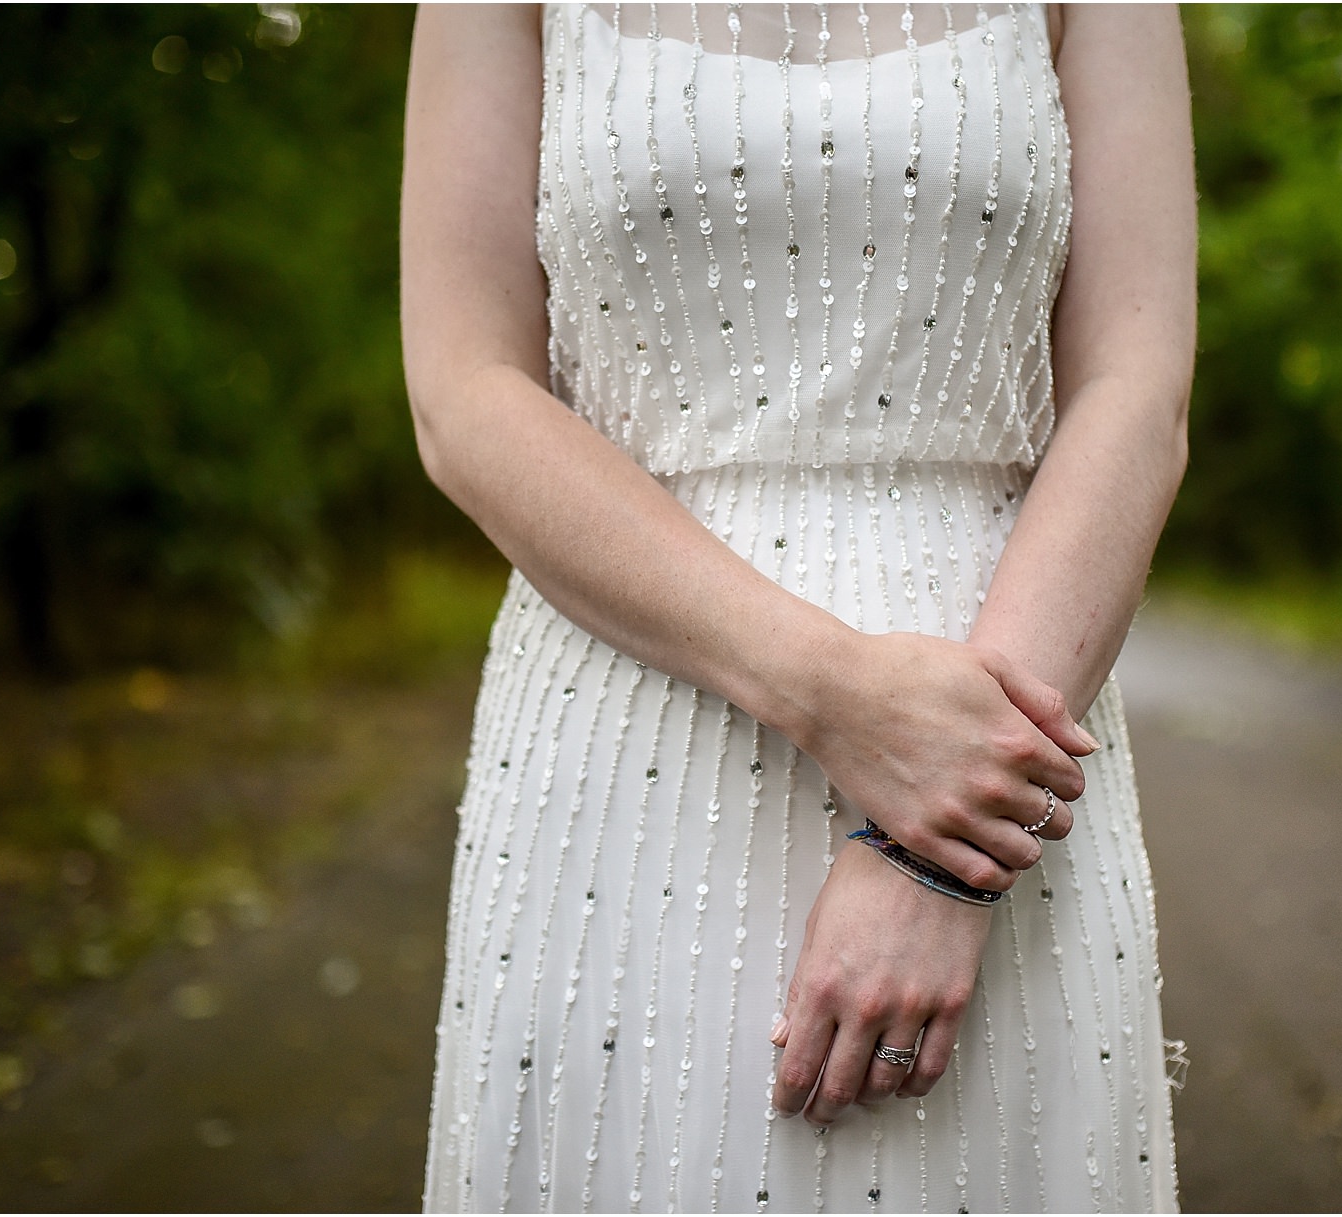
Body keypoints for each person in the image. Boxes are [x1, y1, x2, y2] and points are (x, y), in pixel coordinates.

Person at [401, 3, 1194, 1211]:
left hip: (1008, 699)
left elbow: (1134, 391)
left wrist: (950, 849)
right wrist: (838, 694)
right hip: (621, 741)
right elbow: (463, 393)